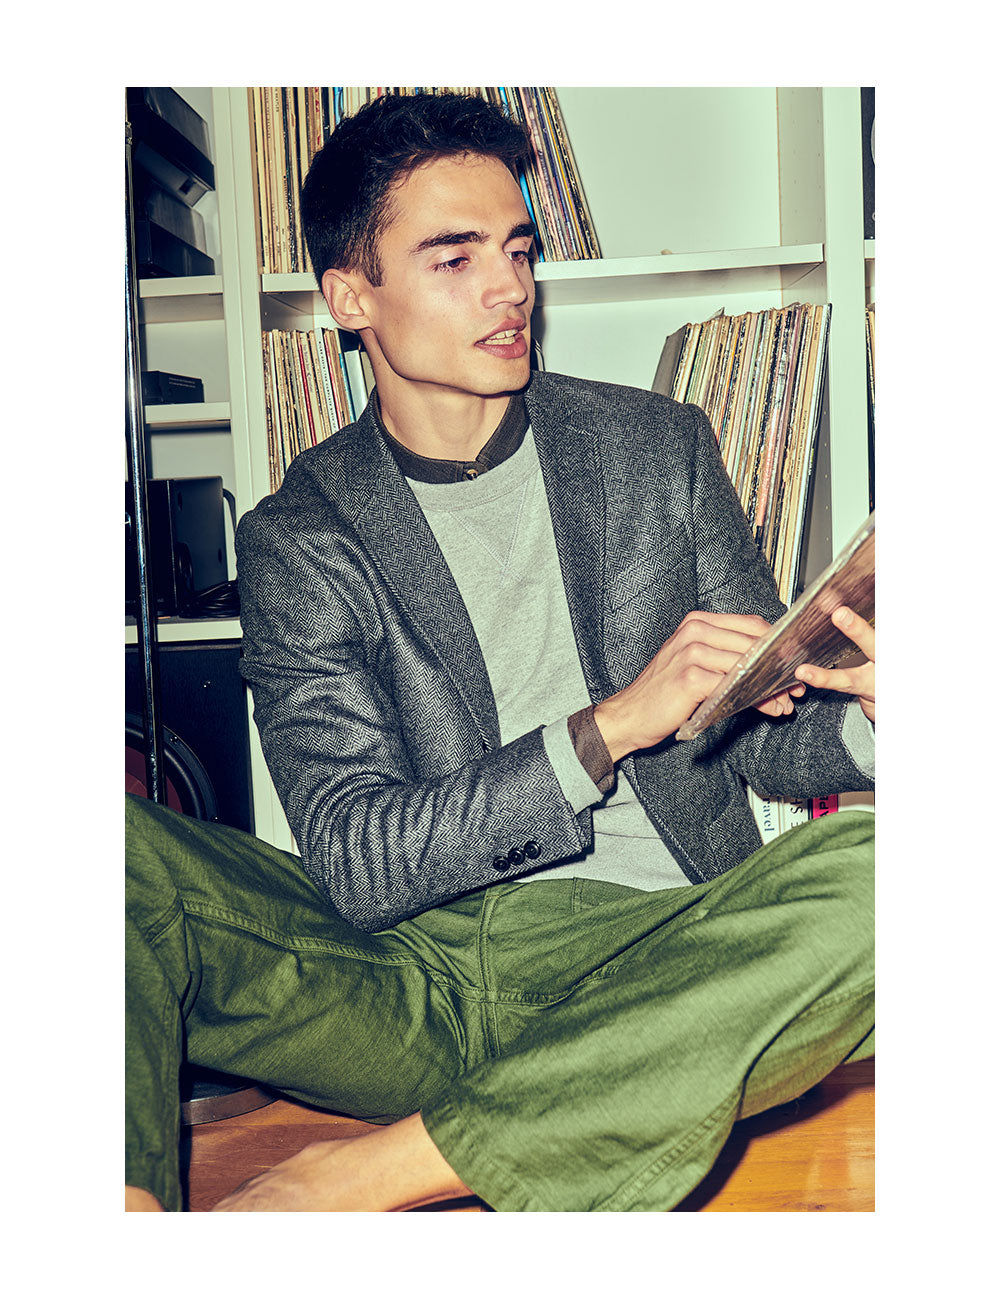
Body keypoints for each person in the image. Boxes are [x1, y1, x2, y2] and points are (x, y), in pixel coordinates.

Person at [125, 91, 875, 1213]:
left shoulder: (656, 449)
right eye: (453, 255)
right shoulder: (299, 536)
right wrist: (610, 724)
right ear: (349, 299)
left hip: (658, 957)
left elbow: (759, 742)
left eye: (518, 248)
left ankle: (365, 1175)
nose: (510, 286)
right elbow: (359, 863)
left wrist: (871, 715)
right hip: (406, 979)